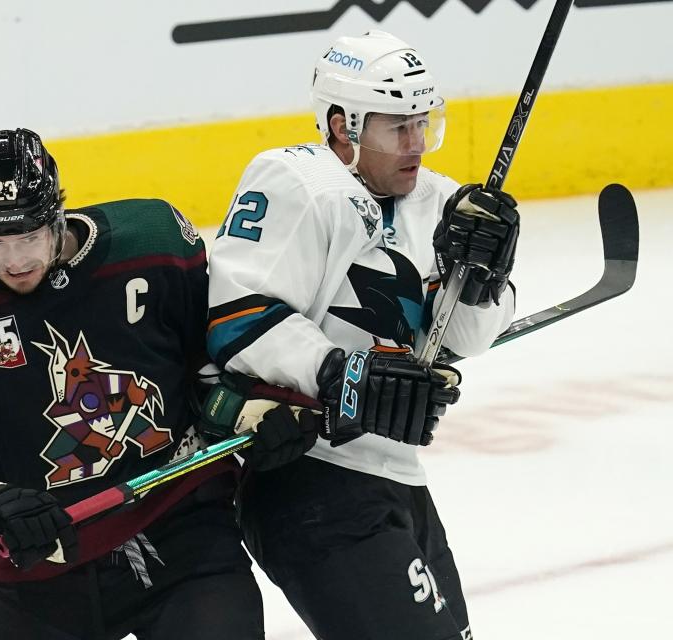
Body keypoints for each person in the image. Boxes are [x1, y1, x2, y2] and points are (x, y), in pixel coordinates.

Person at [0, 128, 265, 639]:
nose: (14, 261)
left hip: (184, 528)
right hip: (44, 552)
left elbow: (220, 368)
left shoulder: (154, 249)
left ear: (57, 218)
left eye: (28, 238)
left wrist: (254, 406)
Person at [206, 31, 520, 640]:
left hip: (397, 475)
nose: (417, 145)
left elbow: (463, 339)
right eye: (397, 128)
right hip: (305, 475)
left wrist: (479, 279)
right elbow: (238, 322)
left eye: (423, 124)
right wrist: (341, 373)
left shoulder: (442, 201)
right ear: (342, 125)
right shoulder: (293, 184)